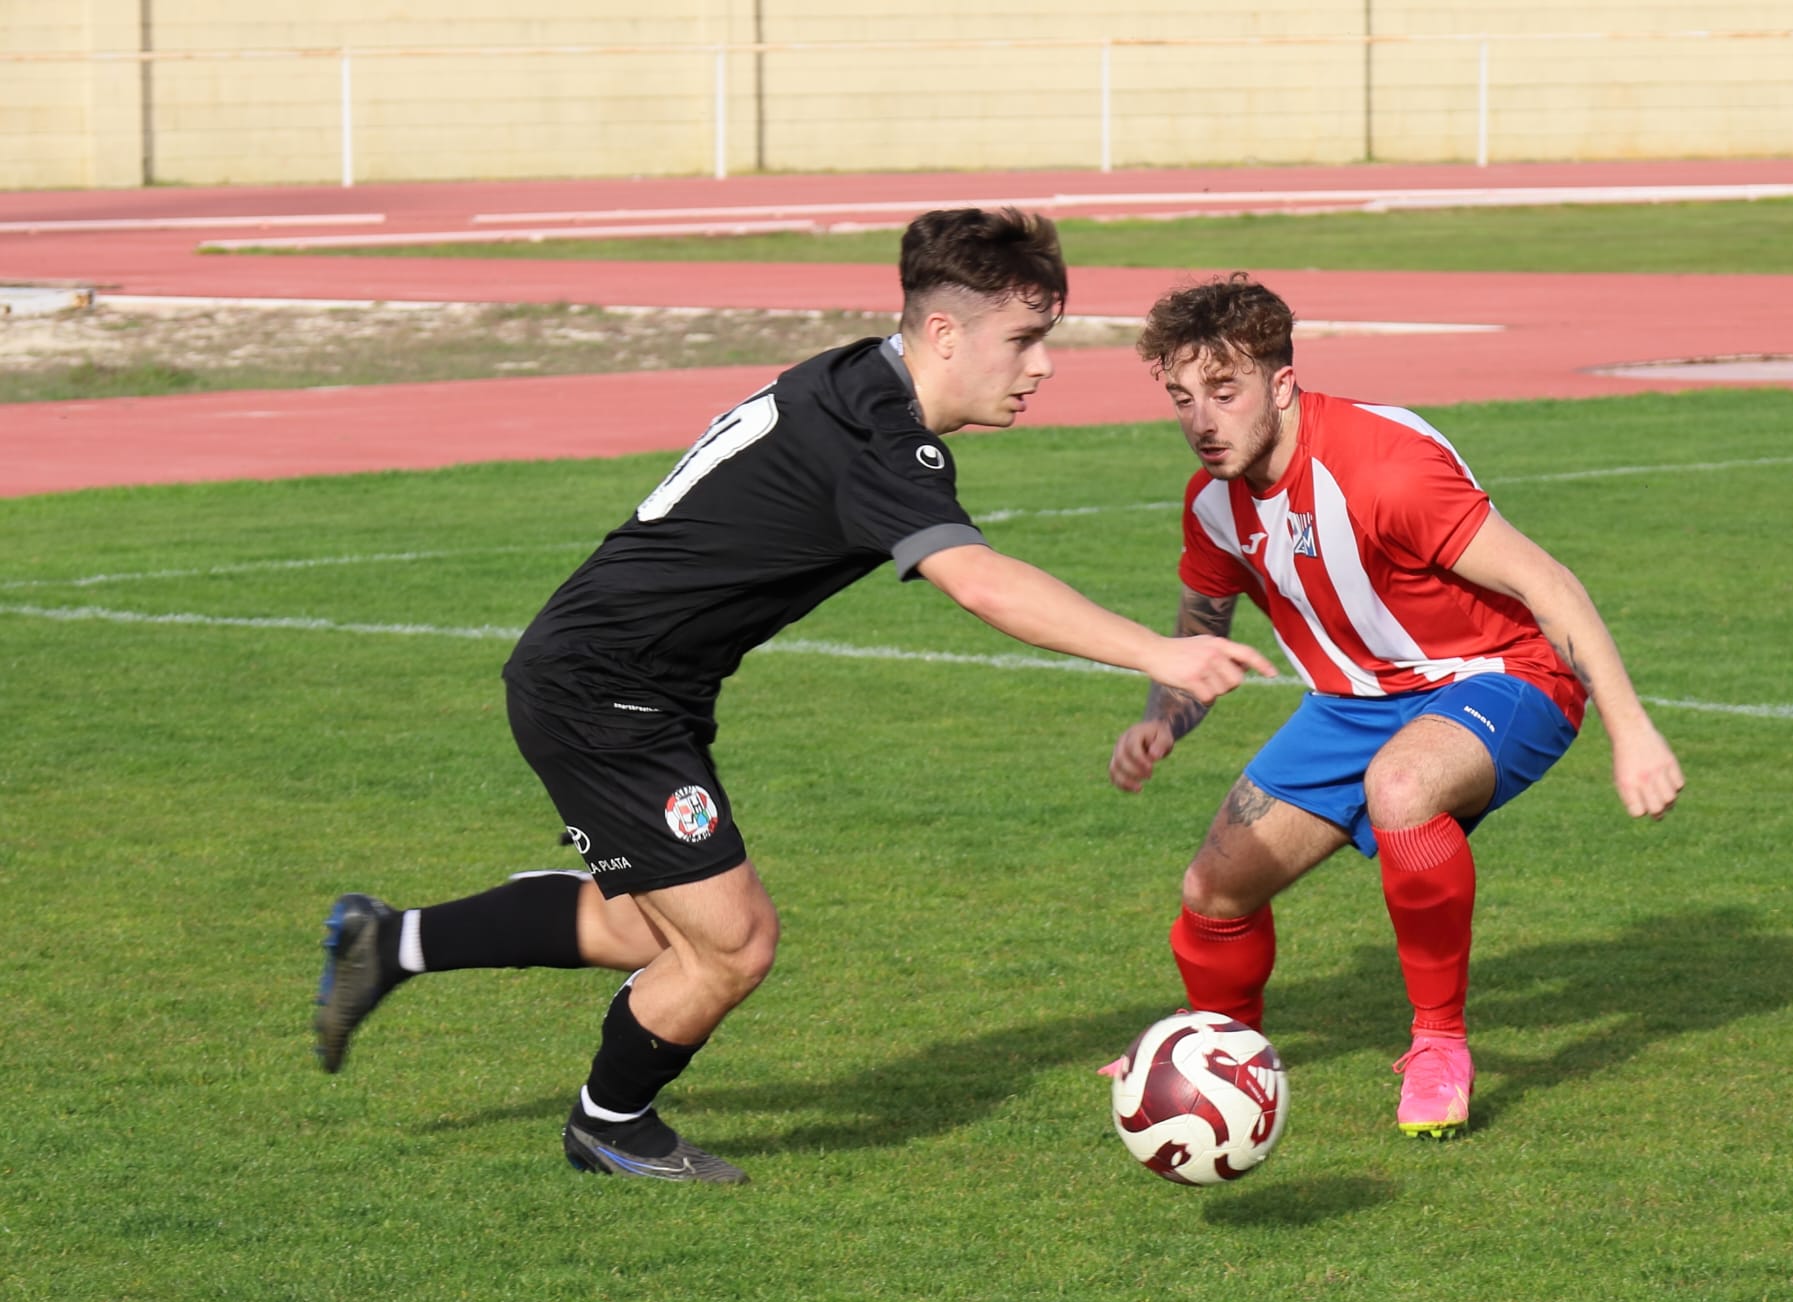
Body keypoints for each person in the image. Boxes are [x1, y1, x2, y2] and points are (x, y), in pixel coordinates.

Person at [313, 209, 1274, 1183]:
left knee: (645, 928)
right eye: (1024, 340)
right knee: (732, 946)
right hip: (604, 692)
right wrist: (1161, 652)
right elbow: (978, 582)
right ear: (943, 334)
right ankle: (610, 1125)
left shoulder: (859, 380)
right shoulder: (874, 434)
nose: (1041, 366)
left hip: (632, 683)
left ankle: (389, 941)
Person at [1103, 274, 1683, 1139]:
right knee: (1213, 891)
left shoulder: (1385, 465)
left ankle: (1439, 1042)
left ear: (1282, 383)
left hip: (1501, 673)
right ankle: (1219, 1060)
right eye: (1183, 398)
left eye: (1225, 393)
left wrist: (1629, 730)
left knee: (1402, 786)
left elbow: (1547, 581)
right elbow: (1199, 628)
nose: (1202, 420)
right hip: (1351, 702)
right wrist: (1162, 717)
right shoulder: (1213, 506)